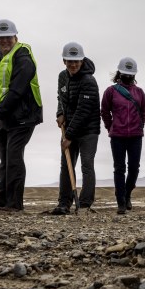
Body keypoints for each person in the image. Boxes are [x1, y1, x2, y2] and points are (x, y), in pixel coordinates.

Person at [0, 19, 43, 212]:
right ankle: (2, 201)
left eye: (8, 37)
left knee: (14, 157)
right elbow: (0, 87)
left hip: (23, 115)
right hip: (5, 114)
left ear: (15, 37)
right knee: (5, 160)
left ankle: (14, 204)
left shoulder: (23, 56)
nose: (4, 41)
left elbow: (17, 91)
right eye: (1, 38)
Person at [52, 42, 101, 214]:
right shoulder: (62, 77)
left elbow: (83, 111)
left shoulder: (89, 80)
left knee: (87, 165)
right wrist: (60, 113)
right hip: (69, 127)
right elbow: (61, 97)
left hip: (88, 130)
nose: (73, 64)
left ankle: (85, 204)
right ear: (64, 61)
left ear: (82, 60)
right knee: (66, 165)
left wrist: (69, 136)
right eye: (70, 61)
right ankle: (64, 203)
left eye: (77, 61)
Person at [100, 57, 145, 215]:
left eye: (131, 74)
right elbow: (105, 112)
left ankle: (127, 194)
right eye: (125, 73)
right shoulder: (110, 91)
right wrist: (110, 127)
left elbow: (143, 112)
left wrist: (140, 126)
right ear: (120, 73)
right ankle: (120, 201)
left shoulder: (140, 92)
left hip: (136, 136)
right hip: (117, 136)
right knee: (119, 168)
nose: (128, 76)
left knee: (134, 168)